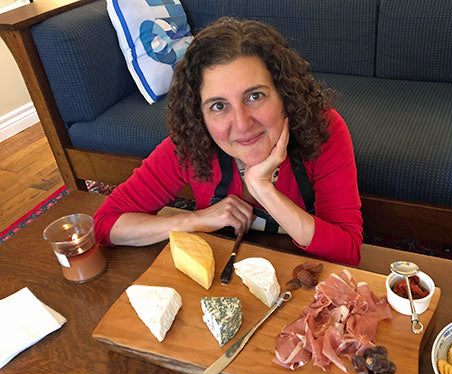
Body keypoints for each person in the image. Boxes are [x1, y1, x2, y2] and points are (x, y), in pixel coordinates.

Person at [93, 17, 363, 265]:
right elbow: (106, 224)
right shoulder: (192, 141)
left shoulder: (323, 128)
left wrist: (263, 189)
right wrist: (195, 220)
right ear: (200, 115)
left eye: (255, 96)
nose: (243, 124)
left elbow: (347, 251)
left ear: (284, 94)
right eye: (219, 105)